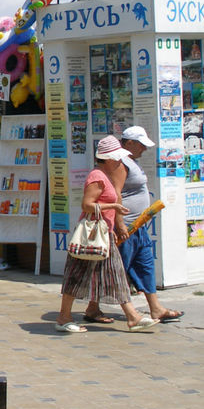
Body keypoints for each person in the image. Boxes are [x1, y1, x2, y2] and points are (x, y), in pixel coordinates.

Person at [56, 136, 160, 333]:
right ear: (110, 158)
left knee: (117, 276)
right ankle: (64, 317)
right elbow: (87, 205)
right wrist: (113, 206)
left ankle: (133, 317)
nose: (121, 162)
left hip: (105, 234)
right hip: (94, 236)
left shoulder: (105, 175)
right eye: (118, 158)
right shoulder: (97, 177)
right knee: (77, 276)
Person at [82, 127, 183, 324]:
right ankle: (96, 308)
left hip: (139, 225)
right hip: (126, 226)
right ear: (128, 143)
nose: (143, 149)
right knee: (115, 269)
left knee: (145, 264)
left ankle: (155, 308)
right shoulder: (120, 164)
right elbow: (116, 193)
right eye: (140, 145)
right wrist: (119, 224)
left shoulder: (130, 162)